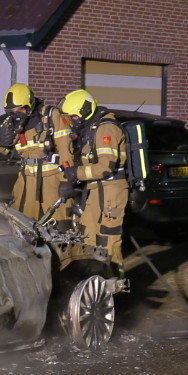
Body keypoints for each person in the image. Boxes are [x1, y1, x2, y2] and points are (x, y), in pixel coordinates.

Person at [60, 88, 129, 274]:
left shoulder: (106, 128)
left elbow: (105, 168)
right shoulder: (91, 128)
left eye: (74, 116)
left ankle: (114, 284)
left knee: (108, 238)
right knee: (88, 234)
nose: (72, 121)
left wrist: (76, 173)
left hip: (112, 192)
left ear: (85, 111)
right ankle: (93, 279)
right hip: (97, 189)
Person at [0, 83, 73, 224]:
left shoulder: (50, 116)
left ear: (30, 104)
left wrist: (67, 181)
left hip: (52, 181)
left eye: (20, 110)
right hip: (26, 181)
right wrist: (1, 140)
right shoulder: (11, 122)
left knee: (59, 224)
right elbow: (4, 150)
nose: (16, 115)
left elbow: (67, 151)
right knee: (22, 223)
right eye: (11, 111)